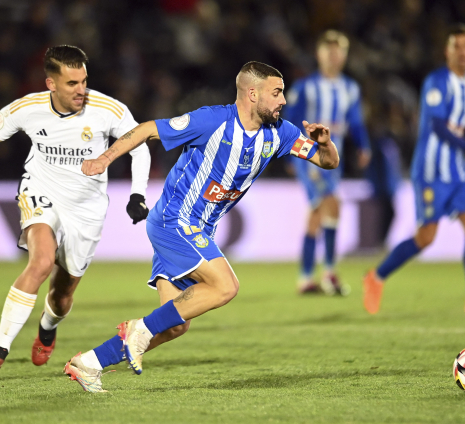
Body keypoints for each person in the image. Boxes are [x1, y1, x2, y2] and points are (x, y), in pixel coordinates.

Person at [62, 61, 340, 393]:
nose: (283, 100)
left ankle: (89, 363)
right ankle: (138, 329)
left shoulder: (280, 132)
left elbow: (328, 162)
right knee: (226, 286)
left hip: (196, 231)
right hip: (174, 221)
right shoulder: (212, 120)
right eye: (276, 93)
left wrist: (325, 143)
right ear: (252, 93)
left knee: (176, 324)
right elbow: (148, 128)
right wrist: (104, 160)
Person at [0, 45, 151, 376]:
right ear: (51, 84)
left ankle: (48, 327)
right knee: (40, 262)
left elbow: (139, 147)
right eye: (72, 84)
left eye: (84, 81)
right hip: (40, 193)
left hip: (87, 209)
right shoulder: (27, 108)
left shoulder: (107, 109)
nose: (81, 90)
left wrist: (137, 194)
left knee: (62, 295)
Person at [363, 24, 465, 314]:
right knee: (426, 237)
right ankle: (376, 277)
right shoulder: (436, 82)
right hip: (431, 170)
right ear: (447, 51)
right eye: (456, 46)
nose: (462, 51)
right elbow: (439, 126)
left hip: (458, 170)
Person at [283, 30, 371, 295]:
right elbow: (289, 120)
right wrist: (289, 152)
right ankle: (330, 273)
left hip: (334, 159)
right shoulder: (305, 87)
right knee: (332, 204)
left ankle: (306, 278)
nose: (333, 57)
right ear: (319, 55)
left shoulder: (350, 88)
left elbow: (355, 121)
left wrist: (364, 145)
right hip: (308, 157)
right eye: (328, 52)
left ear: (344, 55)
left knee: (318, 214)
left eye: (338, 52)